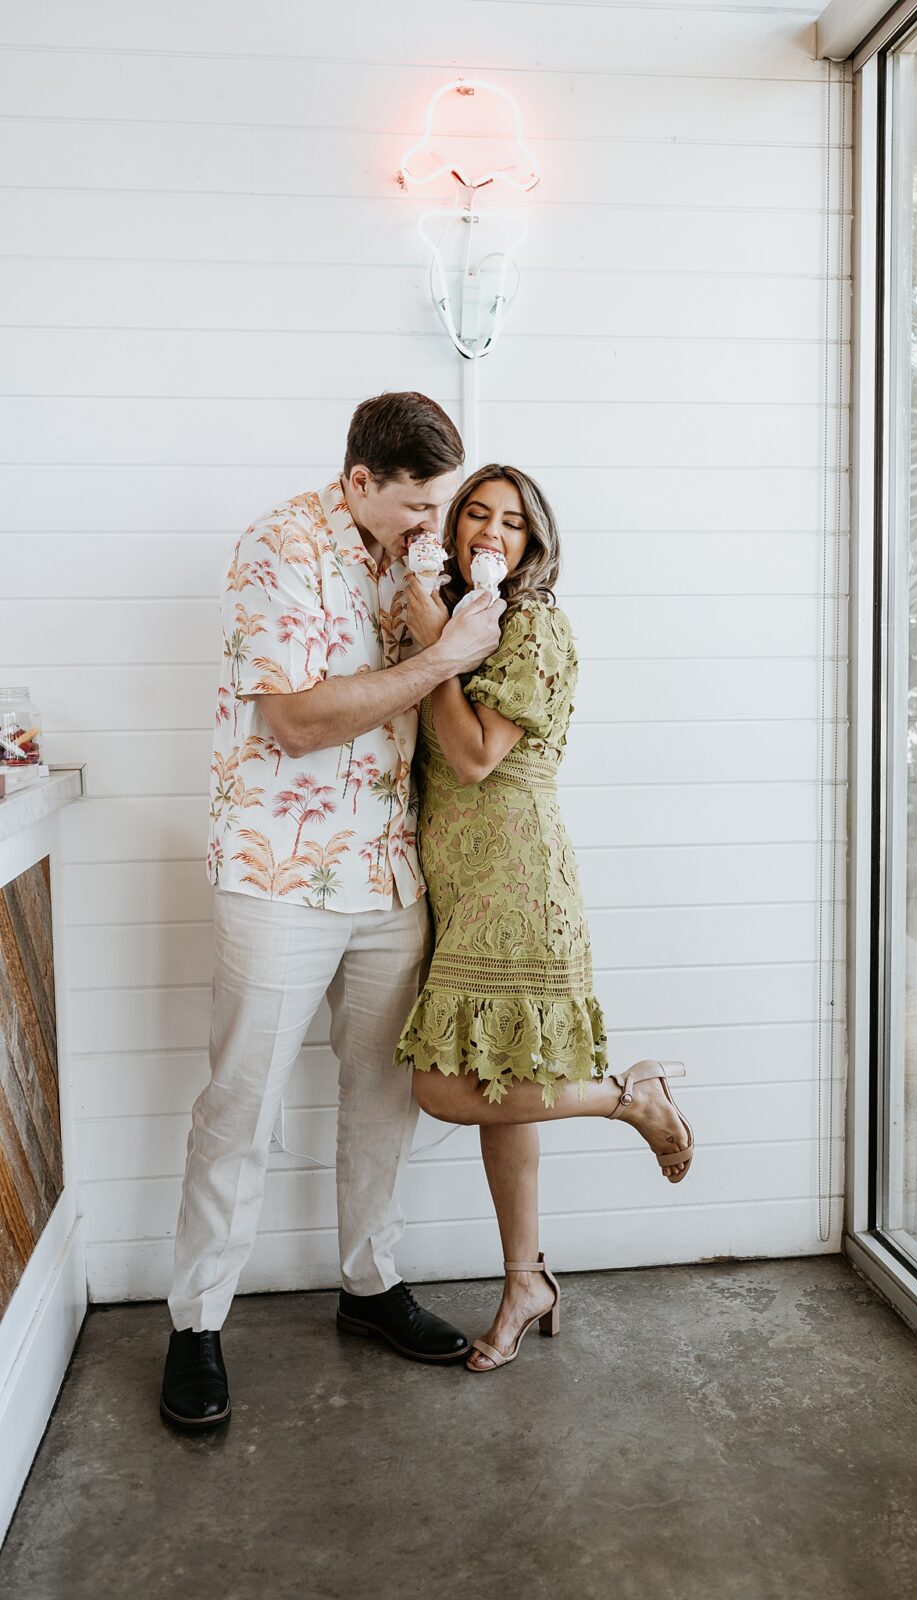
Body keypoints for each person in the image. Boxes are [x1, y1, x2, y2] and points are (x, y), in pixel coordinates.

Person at [160, 393, 504, 1429]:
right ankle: (196, 1324)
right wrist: (439, 660)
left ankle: (369, 1286)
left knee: (382, 1102)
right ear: (359, 480)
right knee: (241, 1106)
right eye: (416, 505)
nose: (430, 525)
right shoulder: (275, 545)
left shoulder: (413, 560)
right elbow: (298, 721)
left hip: (389, 873)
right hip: (279, 876)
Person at [396, 464, 694, 1373]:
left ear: (535, 542)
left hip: (519, 880)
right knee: (499, 1085)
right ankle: (526, 1281)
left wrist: (434, 648)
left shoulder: (532, 624)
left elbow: (478, 756)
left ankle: (626, 1098)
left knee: (443, 1088)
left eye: (511, 522)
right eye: (474, 515)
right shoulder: (462, 617)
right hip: (456, 880)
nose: (490, 531)